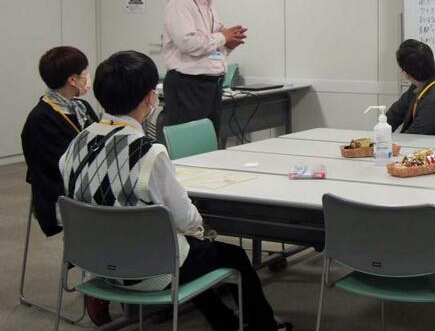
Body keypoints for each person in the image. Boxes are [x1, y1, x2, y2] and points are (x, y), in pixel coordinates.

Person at [59, 51, 289, 331]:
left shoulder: (76, 143)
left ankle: (225, 323)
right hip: (149, 270)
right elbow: (187, 219)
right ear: (150, 97)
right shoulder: (148, 153)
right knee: (227, 254)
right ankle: (264, 326)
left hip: (94, 264)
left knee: (193, 251)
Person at [20, 47, 111, 326]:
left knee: (134, 203)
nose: (88, 77)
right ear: (73, 80)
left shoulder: (81, 108)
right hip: (62, 198)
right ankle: (99, 282)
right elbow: (63, 169)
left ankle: (123, 275)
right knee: (118, 211)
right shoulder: (40, 120)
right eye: (84, 72)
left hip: (90, 186)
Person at [162, 0, 246, 137]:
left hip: (211, 85)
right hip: (188, 85)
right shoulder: (180, 3)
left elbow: (210, 44)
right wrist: (223, 36)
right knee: (189, 142)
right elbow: (188, 43)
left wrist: (228, 45)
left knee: (209, 140)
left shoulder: (209, 6)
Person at [385, 39, 435, 136]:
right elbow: (396, 112)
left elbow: (412, 138)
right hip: (425, 144)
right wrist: (381, 132)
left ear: (406, 74)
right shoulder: (424, 80)